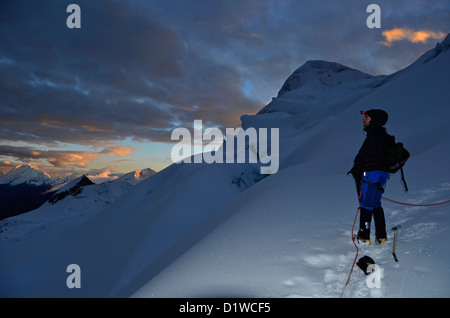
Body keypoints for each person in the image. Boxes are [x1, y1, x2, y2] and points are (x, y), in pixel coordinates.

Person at [348, 109, 395, 245]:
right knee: (375, 204)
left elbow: (364, 158)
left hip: (370, 175)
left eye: (366, 117)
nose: (364, 119)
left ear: (373, 120)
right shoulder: (383, 136)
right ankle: (381, 235)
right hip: (381, 176)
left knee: (366, 205)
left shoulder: (373, 137)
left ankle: (364, 236)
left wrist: (357, 171)